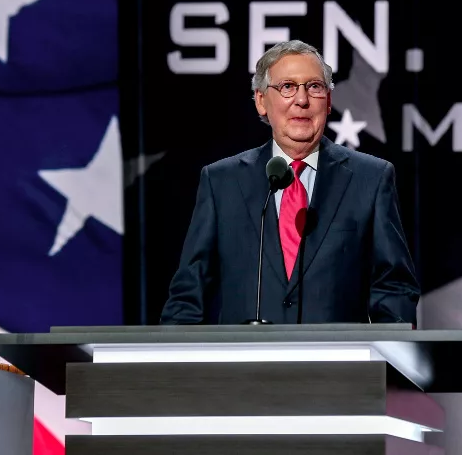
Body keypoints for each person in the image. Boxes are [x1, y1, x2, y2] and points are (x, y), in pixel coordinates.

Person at [160, 40, 420, 325]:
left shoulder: (370, 178)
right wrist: (177, 366)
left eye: (315, 87)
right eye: (287, 87)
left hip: (339, 366)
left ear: (329, 101)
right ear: (261, 101)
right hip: (246, 365)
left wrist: (383, 359)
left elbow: (395, 288)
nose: (302, 100)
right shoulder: (222, 182)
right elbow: (188, 295)